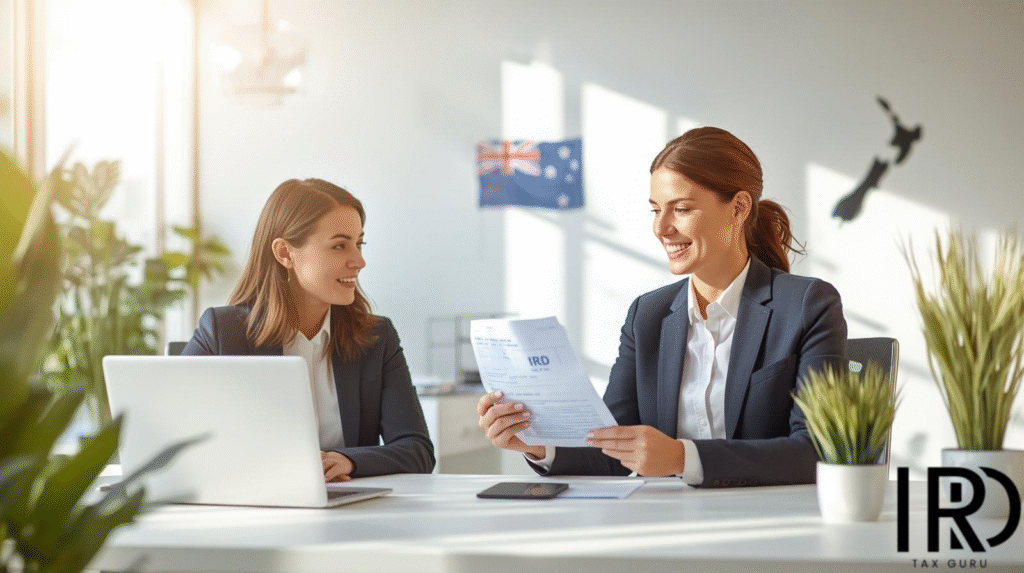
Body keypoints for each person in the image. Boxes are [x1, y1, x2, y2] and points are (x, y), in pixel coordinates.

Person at [477, 127, 847, 487]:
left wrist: (682, 458)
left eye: (681, 209)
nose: (661, 228)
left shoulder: (807, 305)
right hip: (668, 523)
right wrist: (537, 445)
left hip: (770, 523)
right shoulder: (648, 315)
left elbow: (816, 449)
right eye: (656, 210)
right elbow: (612, 448)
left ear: (738, 208)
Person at [182, 178, 434, 480]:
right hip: (252, 510)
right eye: (340, 245)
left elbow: (416, 449)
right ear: (285, 254)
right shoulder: (223, 333)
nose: (359, 261)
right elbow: (170, 440)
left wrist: (347, 461)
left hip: (349, 512)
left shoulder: (376, 337)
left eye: (359, 243)